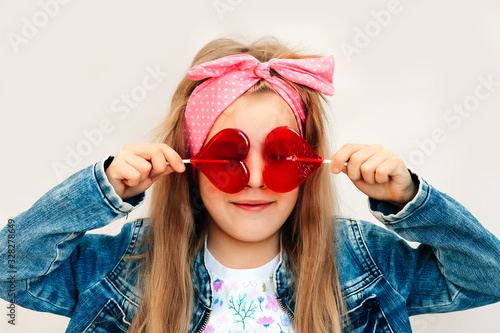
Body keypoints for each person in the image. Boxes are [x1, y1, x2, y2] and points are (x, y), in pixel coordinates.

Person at [1, 37, 500, 333]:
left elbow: (486, 276)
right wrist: (102, 190)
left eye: (282, 156)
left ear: (310, 162)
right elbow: (9, 269)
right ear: (188, 162)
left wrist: (410, 200)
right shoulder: (125, 267)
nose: (258, 179)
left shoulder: (362, 260)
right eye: (227, 156)